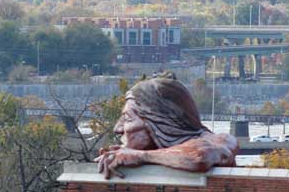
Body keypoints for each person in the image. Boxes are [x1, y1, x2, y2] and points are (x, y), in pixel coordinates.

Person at [97, 74, 237, 179]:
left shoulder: (220, 140)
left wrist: (141, 156)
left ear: (158, 122)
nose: (118, 128)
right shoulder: (162, 151)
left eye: (127, 118)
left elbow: (200, 156)